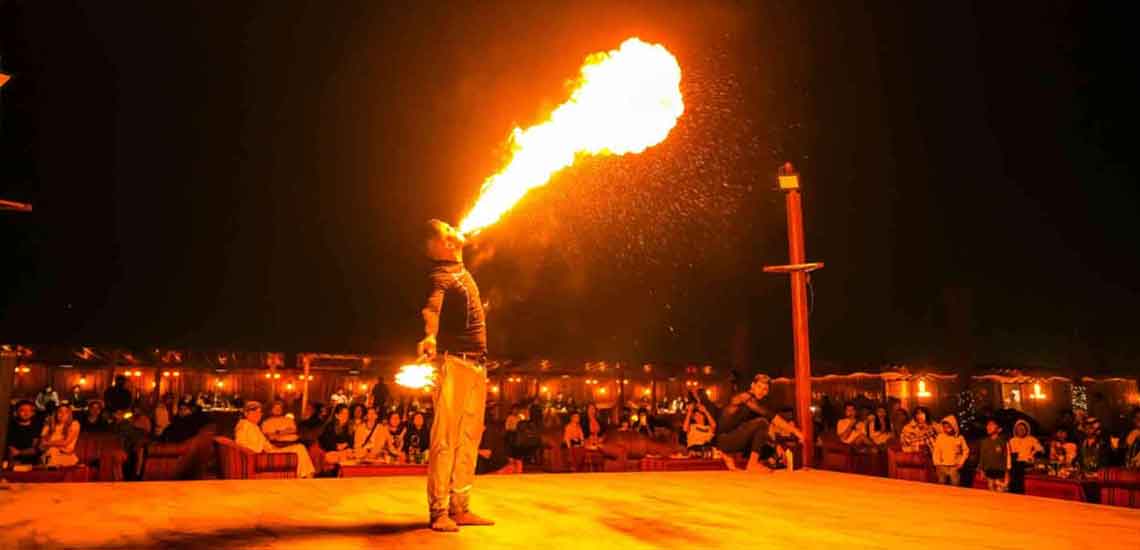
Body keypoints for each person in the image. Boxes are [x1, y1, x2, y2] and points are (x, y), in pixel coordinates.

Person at [417, 219, 494, 531]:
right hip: (455, 364)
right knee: (446, 440)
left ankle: (460, 507)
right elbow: (431, 308)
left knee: (469, 439)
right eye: (449, 231)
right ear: (444, 245)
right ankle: (439, 511)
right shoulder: (440, 275)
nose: (456, 230)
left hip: (477, 366)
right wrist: (429, 336)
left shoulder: (461, 269)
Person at [716, 374, 793, 473]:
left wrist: (776, 446)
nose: (761, 391)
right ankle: (752, 464)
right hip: (725, 440)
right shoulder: (745, 397)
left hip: (730, 440)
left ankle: (764, 462)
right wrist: (797, 432)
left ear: (767, 392)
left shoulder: (753, 406)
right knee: (762, 422)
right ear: (752, 386)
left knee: (768, 444)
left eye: (765, 389)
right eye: (759, 387)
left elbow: (762, 432)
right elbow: (770, 416)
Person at [234, 401, 315, 478]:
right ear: (246, 413)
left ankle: (305, 475)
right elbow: (242, 445)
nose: (258, 415)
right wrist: (266, 447)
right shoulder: (245, 426)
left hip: (271, 450)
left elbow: (262, 442)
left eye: (259, 412)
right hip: (265, 455)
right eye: (254, 412)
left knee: (300, 447)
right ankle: (307, 476)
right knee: (300, 448)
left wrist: (271, 446)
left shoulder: (252, 425)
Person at [932, 415, 969, 486]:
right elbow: (936, 451)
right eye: (945, 427)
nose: (947, 429)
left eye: (949, 426)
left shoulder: (959, 438)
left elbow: (966, 451)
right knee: (941, 484)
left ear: (954, 426)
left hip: (954, 466)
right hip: (942, 466)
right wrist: (937, 463)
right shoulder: (940, 437)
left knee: (955, 485)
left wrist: (961, 462)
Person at [978, 419, 1011, 492]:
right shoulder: (984, 442)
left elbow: (1008, 457)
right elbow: (982, 456)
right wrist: (981, 470)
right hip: (989, 470)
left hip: (1000, 471)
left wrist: (1007, 472)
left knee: (1000, 491)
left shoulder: (1003, 442)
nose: (988, 427)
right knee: (990, 489)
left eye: (992, 425)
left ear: (999, 429)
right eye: (988, 425)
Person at [6, 400, 42, 464]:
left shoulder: (37, 427)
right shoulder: (10, 427)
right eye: (22, 410)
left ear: (32, 413)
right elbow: (10, 447)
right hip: (14, 462)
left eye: (28, 410)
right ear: (16, 412)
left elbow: (35, 448)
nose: (26, 413)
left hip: (33, 463)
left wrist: (20, 452)